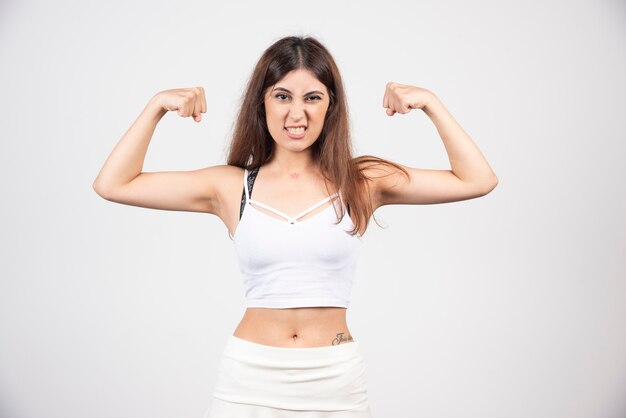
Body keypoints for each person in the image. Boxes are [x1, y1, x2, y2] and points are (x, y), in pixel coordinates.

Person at [93, 35, 497, 417]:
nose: (296, 113)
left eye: (313, 98)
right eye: (282, 96)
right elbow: (113, 184)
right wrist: (156, 107)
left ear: (331, 106)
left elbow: (477, 179)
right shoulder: (231, 186)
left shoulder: (362, 180)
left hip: (335, 378)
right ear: (262, 103)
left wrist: (431, 103)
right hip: (250, 376)